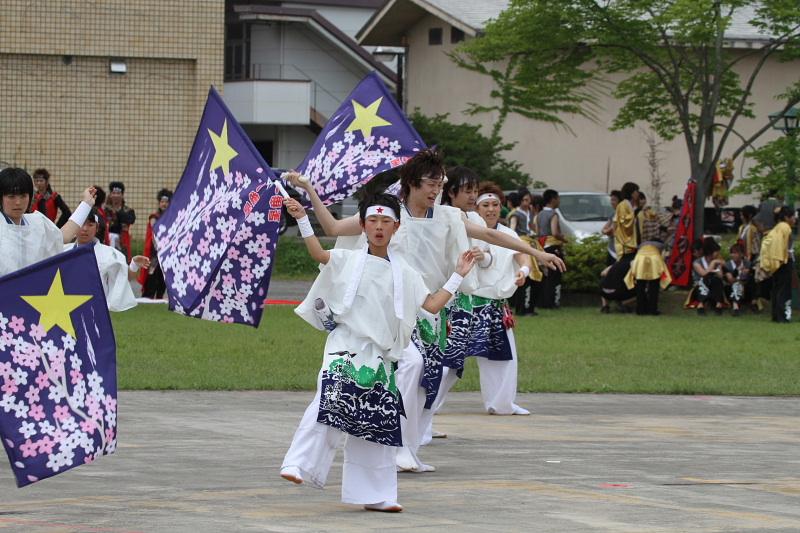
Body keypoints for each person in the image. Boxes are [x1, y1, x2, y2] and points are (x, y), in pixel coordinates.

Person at [284, 148, 564, 474]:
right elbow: (331, 228)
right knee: (407, 367)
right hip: (392, 312)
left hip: (432, 309)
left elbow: (490, 234)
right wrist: (309, 191)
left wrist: (536, 254)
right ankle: (385, 443)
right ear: (412, 183)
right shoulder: (387, 216)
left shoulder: (447, 217)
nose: (436, 190)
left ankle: (406, 449)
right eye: (431, 183)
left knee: (424, 385)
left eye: (440, 184)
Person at [279, 192, 476, 513]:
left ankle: (374, 494)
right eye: (373, 221)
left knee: (376, 422)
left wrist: (458, 274)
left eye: (386, 221)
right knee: (330, 399)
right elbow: (318, 252)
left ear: (396, 227)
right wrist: (302, 217)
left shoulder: (406, 273)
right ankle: (298, 463)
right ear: (362, 225)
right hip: (345, 348)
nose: (379, 227)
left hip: (382, 359)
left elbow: (432, 304)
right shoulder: (349, 259)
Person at [468, 182, 532, 415]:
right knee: (449, 362)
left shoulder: (508, 234)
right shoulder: (466, 230)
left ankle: (501, 404)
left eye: (495, 204)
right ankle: (427, 406)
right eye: (485, 204)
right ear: (477, 208)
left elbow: (522, 254)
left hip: (495, 306)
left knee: (504, 358)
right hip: (467, 305)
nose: (491, 209)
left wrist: (523, 271)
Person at [0, 167, 95, 277]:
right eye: (11, 197)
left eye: (23, 196)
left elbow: (63, 236)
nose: (18, 202)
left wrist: (86, 203)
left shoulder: (38, 223)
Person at [65, 208, 148, 312]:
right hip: (65, 312)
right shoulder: (62, 252)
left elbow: (123, 278)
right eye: (81, 224)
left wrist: (134, 265)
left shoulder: (110, 254)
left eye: (90, 225)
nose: (85, 229)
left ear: (97, 227)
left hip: (96, 312)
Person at [624, 199, 673, 315]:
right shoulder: (660, 240)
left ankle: (640, 310)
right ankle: (652, 309)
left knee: (640, 285)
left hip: (640, 257)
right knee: (654, 285)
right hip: (654, 258)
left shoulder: (642, 227)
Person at [600, 182, 639, 313]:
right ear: (632, 192)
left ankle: (618, 301)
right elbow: (621, 224)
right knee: (612, 274)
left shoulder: (627, 206)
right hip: (622, 247)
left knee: (616, 275)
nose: (637, 194)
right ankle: (613, 302)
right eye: (636, 191)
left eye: (613, 199)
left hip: (625, 246)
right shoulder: (624, 206)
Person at [759, 206, 796, 323]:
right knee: (784, 290)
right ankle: (783, 316)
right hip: (783, 261)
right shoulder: (785, 228)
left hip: (777, 262)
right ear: (786, 217)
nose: (795, 219)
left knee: (777, 289)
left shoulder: (777, 228)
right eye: (793, 216)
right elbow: (781, 246)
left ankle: (776, 315)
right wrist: (780, 259)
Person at [139, 188, 173, 299]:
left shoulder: (172, 217)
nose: (164, 204)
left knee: (163, 278)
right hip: (155, 252)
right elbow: (154, 232)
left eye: (166, 202)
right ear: (159, 203)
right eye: (162, 202)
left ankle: (159, 297)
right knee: (151, 276)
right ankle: (147, 297)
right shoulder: (154, 217)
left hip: (166, 253)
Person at [535, 189, 566, 308]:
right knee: (555, 276)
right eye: (558, 198)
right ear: (553, 199)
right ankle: (552, 302)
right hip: (553, 246)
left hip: (542, 246)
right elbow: (554, 232)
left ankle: (542, 301)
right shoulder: (553, 214)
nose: (559, 201)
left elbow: (537, 232)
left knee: (544, 276)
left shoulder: (539, 214)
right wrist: (563, 239)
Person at [688, 237, 726, 315]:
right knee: (704, 280)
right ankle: (700, 304)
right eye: (716, 252)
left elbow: (721, 275)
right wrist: (713, 263)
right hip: (699, 285)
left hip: (713, 285)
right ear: (710, 252)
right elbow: (703, 274)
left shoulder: (716, 261)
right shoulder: (697, 262)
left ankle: (718, 304)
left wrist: (717, 266)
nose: (718, 253)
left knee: (717, 280)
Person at [105, 181, 136, 260]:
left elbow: (131, 220)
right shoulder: (105, 210)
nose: (116, 195)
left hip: (123, 242)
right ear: (110, 195)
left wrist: (118, 211)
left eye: (118, 193)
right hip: (107, 241)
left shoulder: (128, 210)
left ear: (122, 195)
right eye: (114, 193)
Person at [723, 243, 754, 316]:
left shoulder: (748, 264)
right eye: (732, 253)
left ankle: (753, 303)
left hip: (746, 288)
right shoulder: (727, 265)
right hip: (731, 288)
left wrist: (748, 272)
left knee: (752, 281)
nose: (733, 255)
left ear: (742, 254)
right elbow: (730, 280)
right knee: (737, 285)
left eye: (736, 253)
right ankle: (735, 306)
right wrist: (737, 271)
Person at [602, 190, 621, 266]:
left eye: (614, 200)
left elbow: (612, 230)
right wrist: (607, 231)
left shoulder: (621, 214)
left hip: (618, 251)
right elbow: (604, 229)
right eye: (611, 200)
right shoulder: (613, 214)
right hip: (611, 248)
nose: (612, 202)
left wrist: (608, 231)